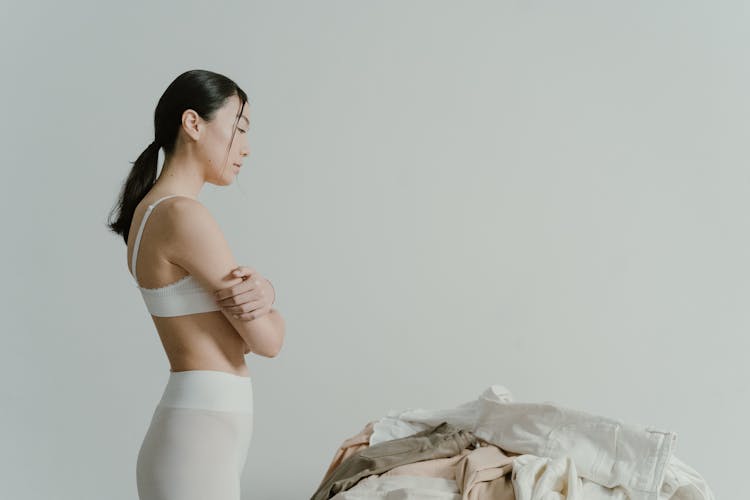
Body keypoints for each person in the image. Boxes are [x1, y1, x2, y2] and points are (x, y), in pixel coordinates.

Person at [106, 69, 286, 499]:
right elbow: (265, 341)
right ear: (193, 124)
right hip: (200, 435)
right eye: (238, 128)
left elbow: (237, 332)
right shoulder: (183, 216)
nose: (245, 148)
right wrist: (271, 299)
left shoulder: (153, 212)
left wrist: (266, 291)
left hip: (197, 431)